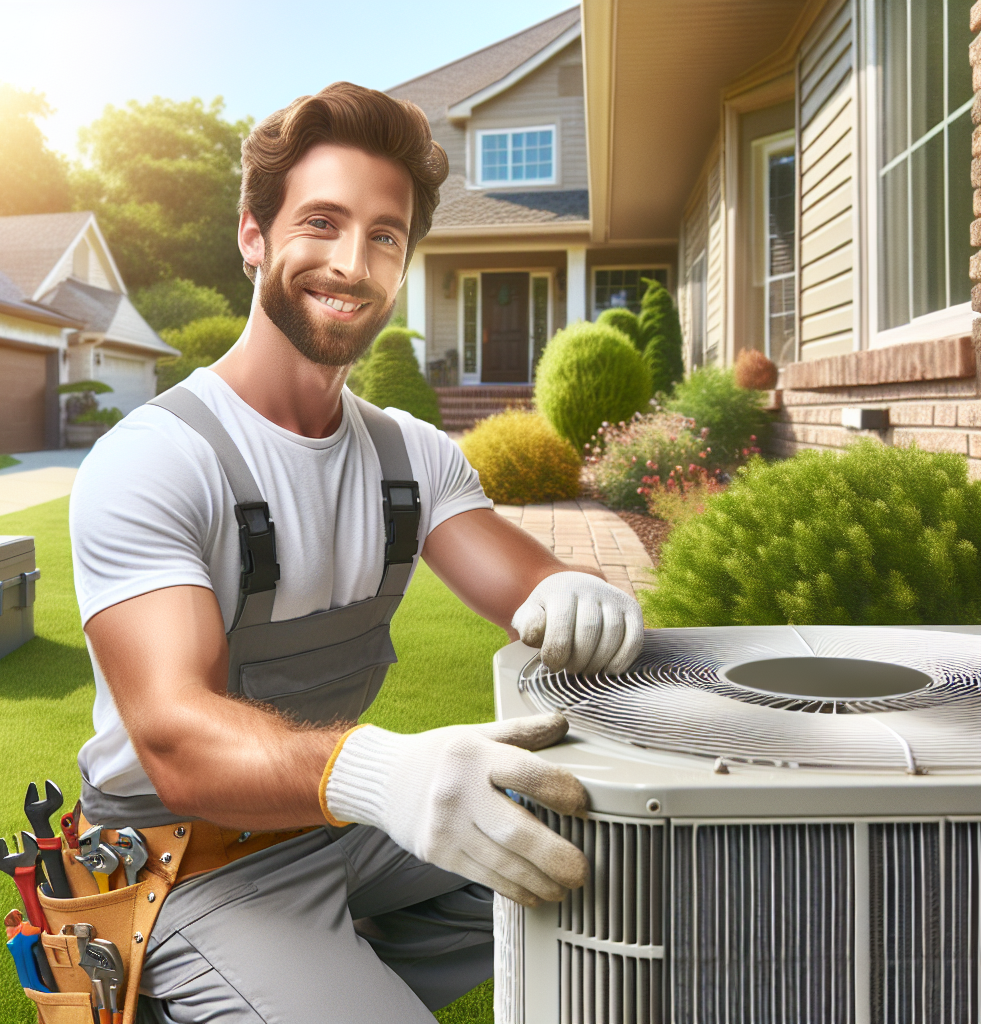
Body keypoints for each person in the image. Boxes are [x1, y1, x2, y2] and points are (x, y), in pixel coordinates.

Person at [69, 82, 644, 1023]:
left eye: (385, 235)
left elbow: (527, 584)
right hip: (188, 859)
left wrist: (579, 589)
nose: (351, 261)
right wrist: (385, 772)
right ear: (253, 235)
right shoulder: (156, 458)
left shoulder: (408, 455)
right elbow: (173, 736)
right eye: (322, 222)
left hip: (338, 825)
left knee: (609, 842)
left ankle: (332, 976)